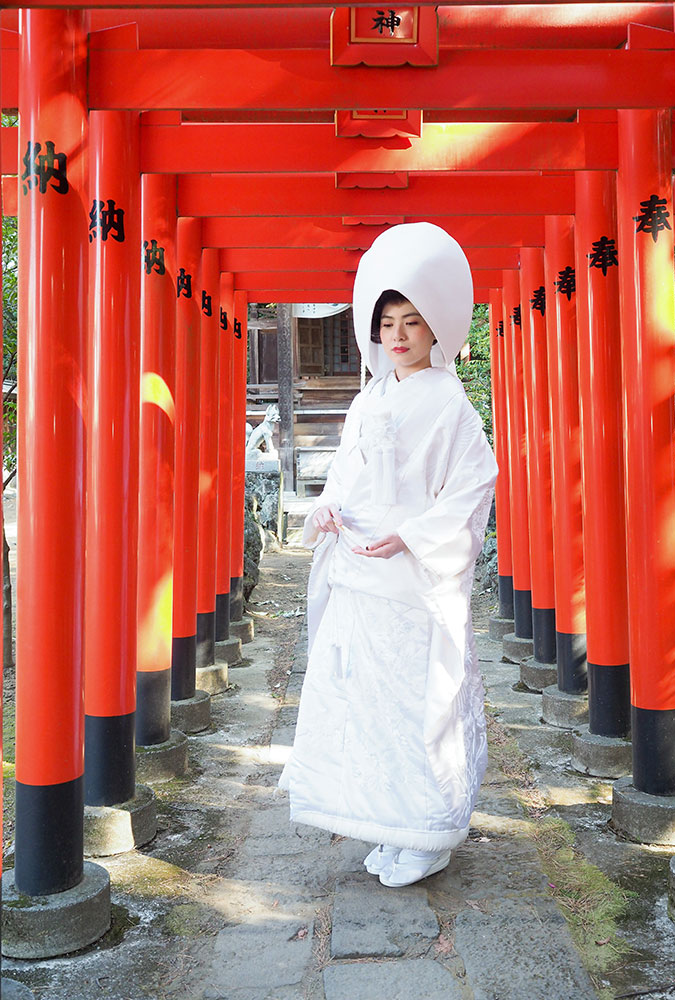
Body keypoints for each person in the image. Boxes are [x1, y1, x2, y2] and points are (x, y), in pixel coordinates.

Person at [279, 223, 498, 887]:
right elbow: (349, 476)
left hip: (411, 571)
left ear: (435, 329)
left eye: (412, 322)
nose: (398, 335)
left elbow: (471, 484)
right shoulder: (370, 394)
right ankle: (386, 821)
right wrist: (327, 508)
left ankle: (429, 830)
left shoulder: (449, 401)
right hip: (359, 567)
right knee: (365, 699)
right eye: (387, 323)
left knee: (415, 697)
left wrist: (416, 533)